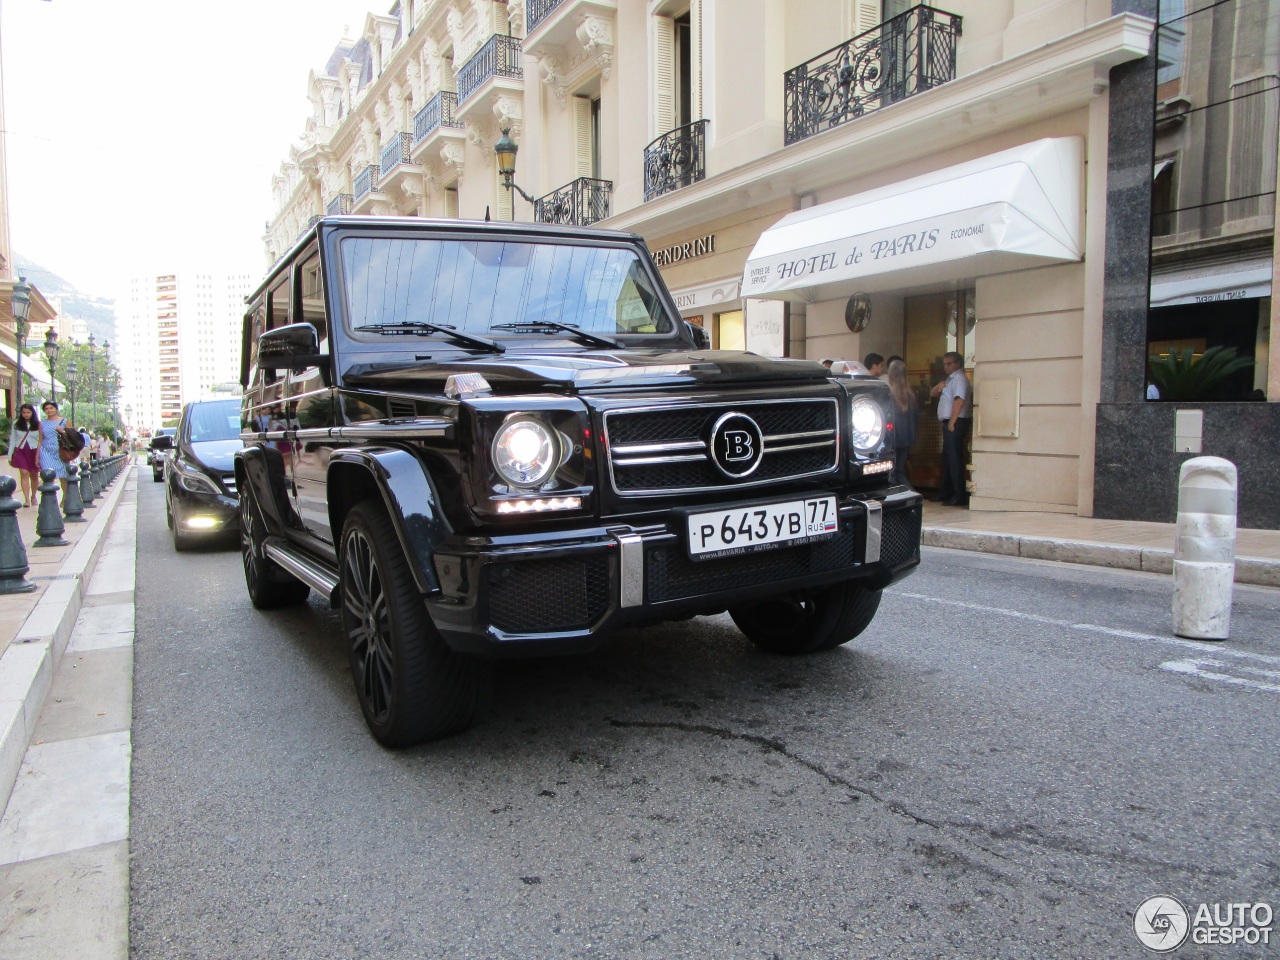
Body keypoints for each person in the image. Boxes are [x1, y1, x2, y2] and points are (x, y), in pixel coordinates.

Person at [929, 351, 972, 506]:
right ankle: (946, 492)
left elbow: (959, 401)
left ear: (958, 363)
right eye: (945, 364)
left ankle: (958, 495)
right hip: (949, 422)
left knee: (954, 459)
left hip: (956, 421)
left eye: (949, 363)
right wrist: (939, 386)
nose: (946, 367)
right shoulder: (949, 379)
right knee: (947, 458)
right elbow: (932, 393)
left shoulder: (959, 379)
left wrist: (952, 422)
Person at [886, 358, 918, 487]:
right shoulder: (911, 395)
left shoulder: (889, 395)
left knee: (891, 474)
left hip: (892, 440)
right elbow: (916, 418)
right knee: (899, 471)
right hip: (906, 439)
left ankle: (905, 499)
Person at [8, 403, 42, 507]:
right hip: (20, 450)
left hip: (34, 450)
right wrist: (10, 455)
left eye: (28, 412)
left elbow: (41, 440)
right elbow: (13, 439)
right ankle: (27, 499)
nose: (26, 415)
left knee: (34, 475)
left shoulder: (38, 424)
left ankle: (34, 496)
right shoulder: (16, 424)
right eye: (23, 412)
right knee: (24, 473)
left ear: (32, 413)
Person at [38, 400, 72, 495]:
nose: (49, 410)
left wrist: (62, 431)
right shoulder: (42, 423)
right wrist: (37, 456)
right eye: (46, 409)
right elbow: (40, 440)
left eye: (51, 408)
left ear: (56, 409)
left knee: (63, 477)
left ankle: (65, 497)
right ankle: (49, 498)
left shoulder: (64, 421)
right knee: (48, 475)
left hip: (61, 451)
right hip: (46, 451)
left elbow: (72, 435)